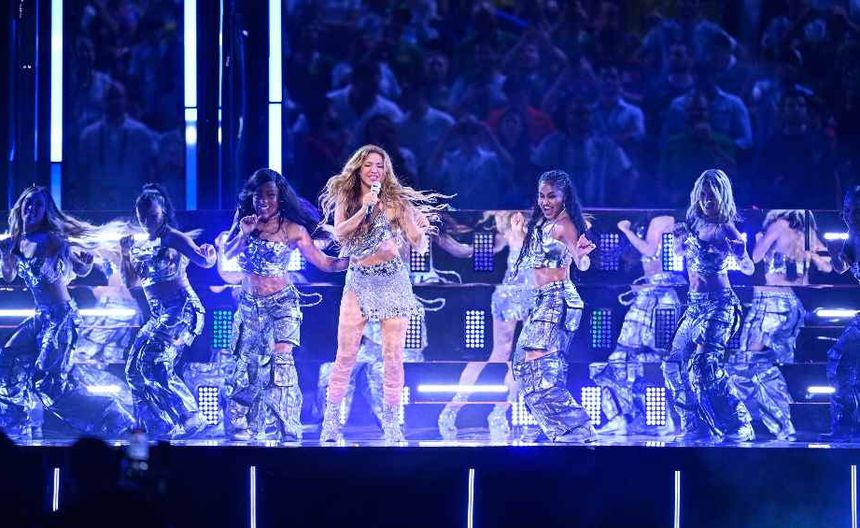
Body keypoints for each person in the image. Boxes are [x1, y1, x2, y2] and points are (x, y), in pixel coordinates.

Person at [318, 144, 446, 443]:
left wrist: (420, 228)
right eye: (368, 165)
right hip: (359, 280)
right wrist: (365, 209)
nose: (374, 170)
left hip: (391, 279)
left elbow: (417, 244)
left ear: (386, 170)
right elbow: (340, 234)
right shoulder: (347, 196)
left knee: (393, 356)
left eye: (379, 165)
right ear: (358, 168)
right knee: (345, 355)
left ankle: (392, 422)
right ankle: (331, 422)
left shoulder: (396, 200)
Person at [222, 169, 348, 441]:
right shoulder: (244, 222)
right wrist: (244, 233)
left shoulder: (293, 229)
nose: (264, 201)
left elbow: (325, 263)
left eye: (270, 195)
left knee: (281, 362)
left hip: (282, 305)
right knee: (250, 367)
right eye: (259, 196)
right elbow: (227, 254)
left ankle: (288, 427)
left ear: (280, 198)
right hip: (250, 307)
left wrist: (357, 261)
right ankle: (246, 423)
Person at [0, 186, 134, 438]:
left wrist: (84, 265)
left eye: (38, 205)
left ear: (45, 211)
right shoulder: (15, 241)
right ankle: (16, 421)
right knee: (7, 358)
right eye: (28, 203)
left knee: (49, 385)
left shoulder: (52, 240)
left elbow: (78, 268)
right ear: (21, 207)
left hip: (61, 317)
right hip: (41, 317)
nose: (32, 208)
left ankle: (112, 414)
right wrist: (6, 255)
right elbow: (9, 276)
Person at [663, 169, 755, 442]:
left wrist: (741, 255)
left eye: (711, 196)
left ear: (722, 196)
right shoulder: (694, 222)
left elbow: (749, 268)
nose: (706, 201)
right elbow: (681, 253)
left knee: (705, 365)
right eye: (702, 195)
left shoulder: (726, 227)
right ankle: (694, 426)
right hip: (694, 306)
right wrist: (679, 239)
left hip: (719, 305)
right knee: (673, 365)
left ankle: (738, 424)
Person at [119, 184, 217, 438]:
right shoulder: (140, 246)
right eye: (142, 217)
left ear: (163, 212)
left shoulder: (174, 238)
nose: (147, 221)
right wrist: (125, 254)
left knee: (154, 362)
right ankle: (155, 425)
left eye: (152, 215)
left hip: (181, 310)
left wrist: (210, 254)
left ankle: (191, 416)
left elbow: (204, 261)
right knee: (133, 370)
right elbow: (131, 283)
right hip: (158, 314)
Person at [511, 170, 597, 443]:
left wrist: (582, 256)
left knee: (539, 368)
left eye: (552, 196)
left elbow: (581, 262)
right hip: (541, 301)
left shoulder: (565, 225)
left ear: (564, 197)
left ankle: (579, 428)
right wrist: (518, 232)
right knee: (524, 366)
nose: (545, 202)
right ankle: (555, 426)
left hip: (557, 300)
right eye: (541, 196)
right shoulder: (542, 224)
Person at [729, 210, 831, 440]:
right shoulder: (807, 232)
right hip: (792, 306)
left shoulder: (779, 225)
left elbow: (755, 257)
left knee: (745, 362)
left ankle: (754, 424)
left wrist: (758, 239)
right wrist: (807, 254)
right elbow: (827, 266)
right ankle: (779, 425)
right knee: (762, 364)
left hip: (770, 302)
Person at [438, 211, 535, 441]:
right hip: (510, 296)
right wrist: (451, 244)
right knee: (499, 354)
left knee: (525, 359)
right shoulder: (511, 229)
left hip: (536, 297)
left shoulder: (545, 228)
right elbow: (486, 248)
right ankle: (452, 408)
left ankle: (500, 412)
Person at [590, 215, 685, 435]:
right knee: (644, 362)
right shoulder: (669, 222)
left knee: (623, 360)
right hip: (660, 295)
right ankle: (650, 419)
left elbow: (649, 251)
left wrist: (626, 230)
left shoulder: (661, 219)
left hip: (654, 296)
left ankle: (622, 417)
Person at [824, 186, 860, 440]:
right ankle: (846, 426)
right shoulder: (853, 235)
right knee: (840, 360)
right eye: (847, 210)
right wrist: (834, 254)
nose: (850, 216)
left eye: (856, 210)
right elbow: (841, 266)